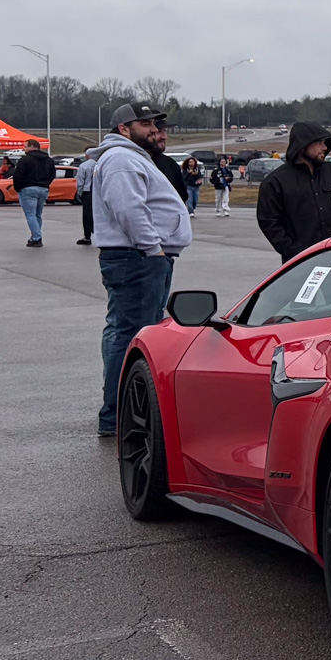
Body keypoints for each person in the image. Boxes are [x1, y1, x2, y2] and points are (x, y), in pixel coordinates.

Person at [87, 103, 190, 437]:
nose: (153, 129)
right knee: (133, 336)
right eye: (144, 124)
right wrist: (153, 249)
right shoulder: (121, 159)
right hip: (137, 258)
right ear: (123, 128)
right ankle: (119, 416)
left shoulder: (132, 157)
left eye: (154, 124)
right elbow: (129, 209)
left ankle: (121, 413)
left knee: (126, 332)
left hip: (140, 257)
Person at [256, 122, 331, 262]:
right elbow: (269, 223)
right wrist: (295, 251)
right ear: (302, 145)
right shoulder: (275, 182)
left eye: (325, 143)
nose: (324, 147)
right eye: (319, 143)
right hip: (302, 265)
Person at [10, 141, 57, 247]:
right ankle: (35, 236)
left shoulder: (25, 160)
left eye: (25, 146)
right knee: (38, 214)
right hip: (43, 188)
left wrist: (18, 188)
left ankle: (36, 238)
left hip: (28, 188)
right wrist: (46, 184)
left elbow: (18, 175)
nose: (24, 149)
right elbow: (52, 174)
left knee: (30, 214)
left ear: (32, 147)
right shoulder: (48, 160)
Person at [75, 152, 96, 243]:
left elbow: (80, 180)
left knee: (87, 214)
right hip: (99, 191)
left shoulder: (84, 166)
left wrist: (80, 192)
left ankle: (87, 236)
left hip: (87, 191)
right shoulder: (101, 164)